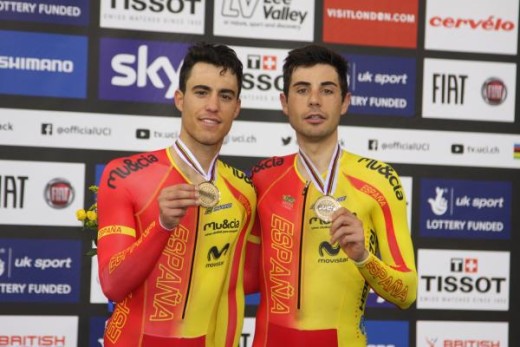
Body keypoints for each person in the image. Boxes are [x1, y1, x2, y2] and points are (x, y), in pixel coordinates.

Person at [245, 44, 417, 347]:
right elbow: (236, 278)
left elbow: (407, 292)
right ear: (284, 102)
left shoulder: (379, 179)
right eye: (301, 90)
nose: (313, 100)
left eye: (327, 90)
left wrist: (363, 257)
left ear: (345, 101)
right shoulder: (262, 178)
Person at [96, 42, 256, 347]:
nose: (213, 105)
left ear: (237, 107)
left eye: (225, 96)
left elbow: (241, 281)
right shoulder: (125, 175)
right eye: (201, 92)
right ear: (179, 99)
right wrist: (163, 226)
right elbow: (112, 284)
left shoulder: (244, 190)